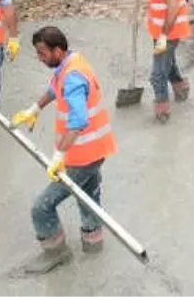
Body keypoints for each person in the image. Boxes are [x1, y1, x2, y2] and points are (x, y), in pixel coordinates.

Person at [9, 25, 117, 275]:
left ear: (58, 50)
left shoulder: (73, 78)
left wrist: (59, 156)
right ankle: (93, 248)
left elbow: (78, 121)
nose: (40, 58)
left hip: (82, 156)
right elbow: (53, 89)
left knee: (42, 208)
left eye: (42, 53)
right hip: (96, 150)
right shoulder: (70, 64)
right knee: (88, 198)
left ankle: (56, 253)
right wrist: (34, 109)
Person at [130, 0, 192, 123]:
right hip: (164, 32)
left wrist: (163, 36)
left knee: (157, 75)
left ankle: (162, 112)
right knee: (169, 63)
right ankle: (182, 89)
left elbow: (172, 6)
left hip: (168, 33)